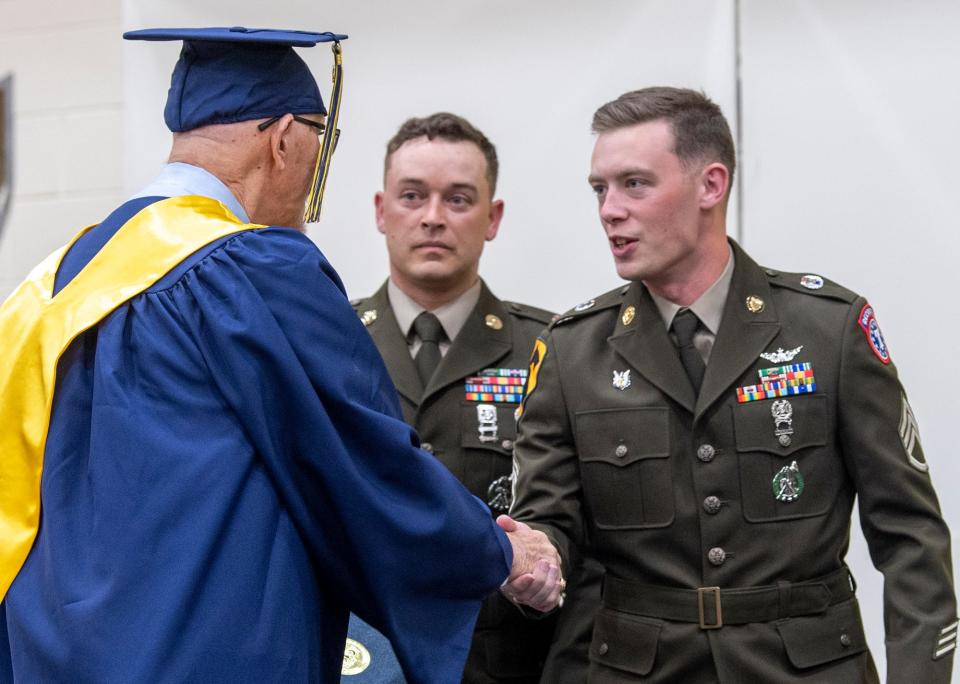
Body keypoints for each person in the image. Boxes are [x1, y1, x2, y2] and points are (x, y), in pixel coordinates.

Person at [0, 28, 561, 683]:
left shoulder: (51, 285)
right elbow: (361, 458)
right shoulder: (250, 270)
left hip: (54, 655)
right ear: (285, 138)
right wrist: (498, 551)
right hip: (206, 655)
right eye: (319, 151)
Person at [510, 86, 956, 682]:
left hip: (808, 667)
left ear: (710, 185)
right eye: (600, 188)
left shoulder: (828, 329)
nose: (609, 209)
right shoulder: (570, 352)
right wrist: (534, 555)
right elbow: (548, 521)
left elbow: (911, 537)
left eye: (634, 184)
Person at [347, 112, 597, 683]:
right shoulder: (330, 344)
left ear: (493, 217)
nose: (433, 217)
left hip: (507, 660)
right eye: (413, 196)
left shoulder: (550, 348)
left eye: (458, 199)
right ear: (382, 211)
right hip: (365, 655)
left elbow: (583, 520)